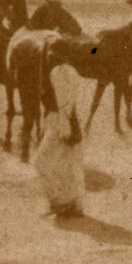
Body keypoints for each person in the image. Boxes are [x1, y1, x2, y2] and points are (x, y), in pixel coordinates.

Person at [32, 61, 85, 218]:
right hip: (65, 120)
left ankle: (60, 202)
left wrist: (65, 124)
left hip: (59, 121)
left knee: (41, 161)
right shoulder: (71, 70)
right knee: (66, 163)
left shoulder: (58, 71)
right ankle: (72, 203)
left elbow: (64, 103)